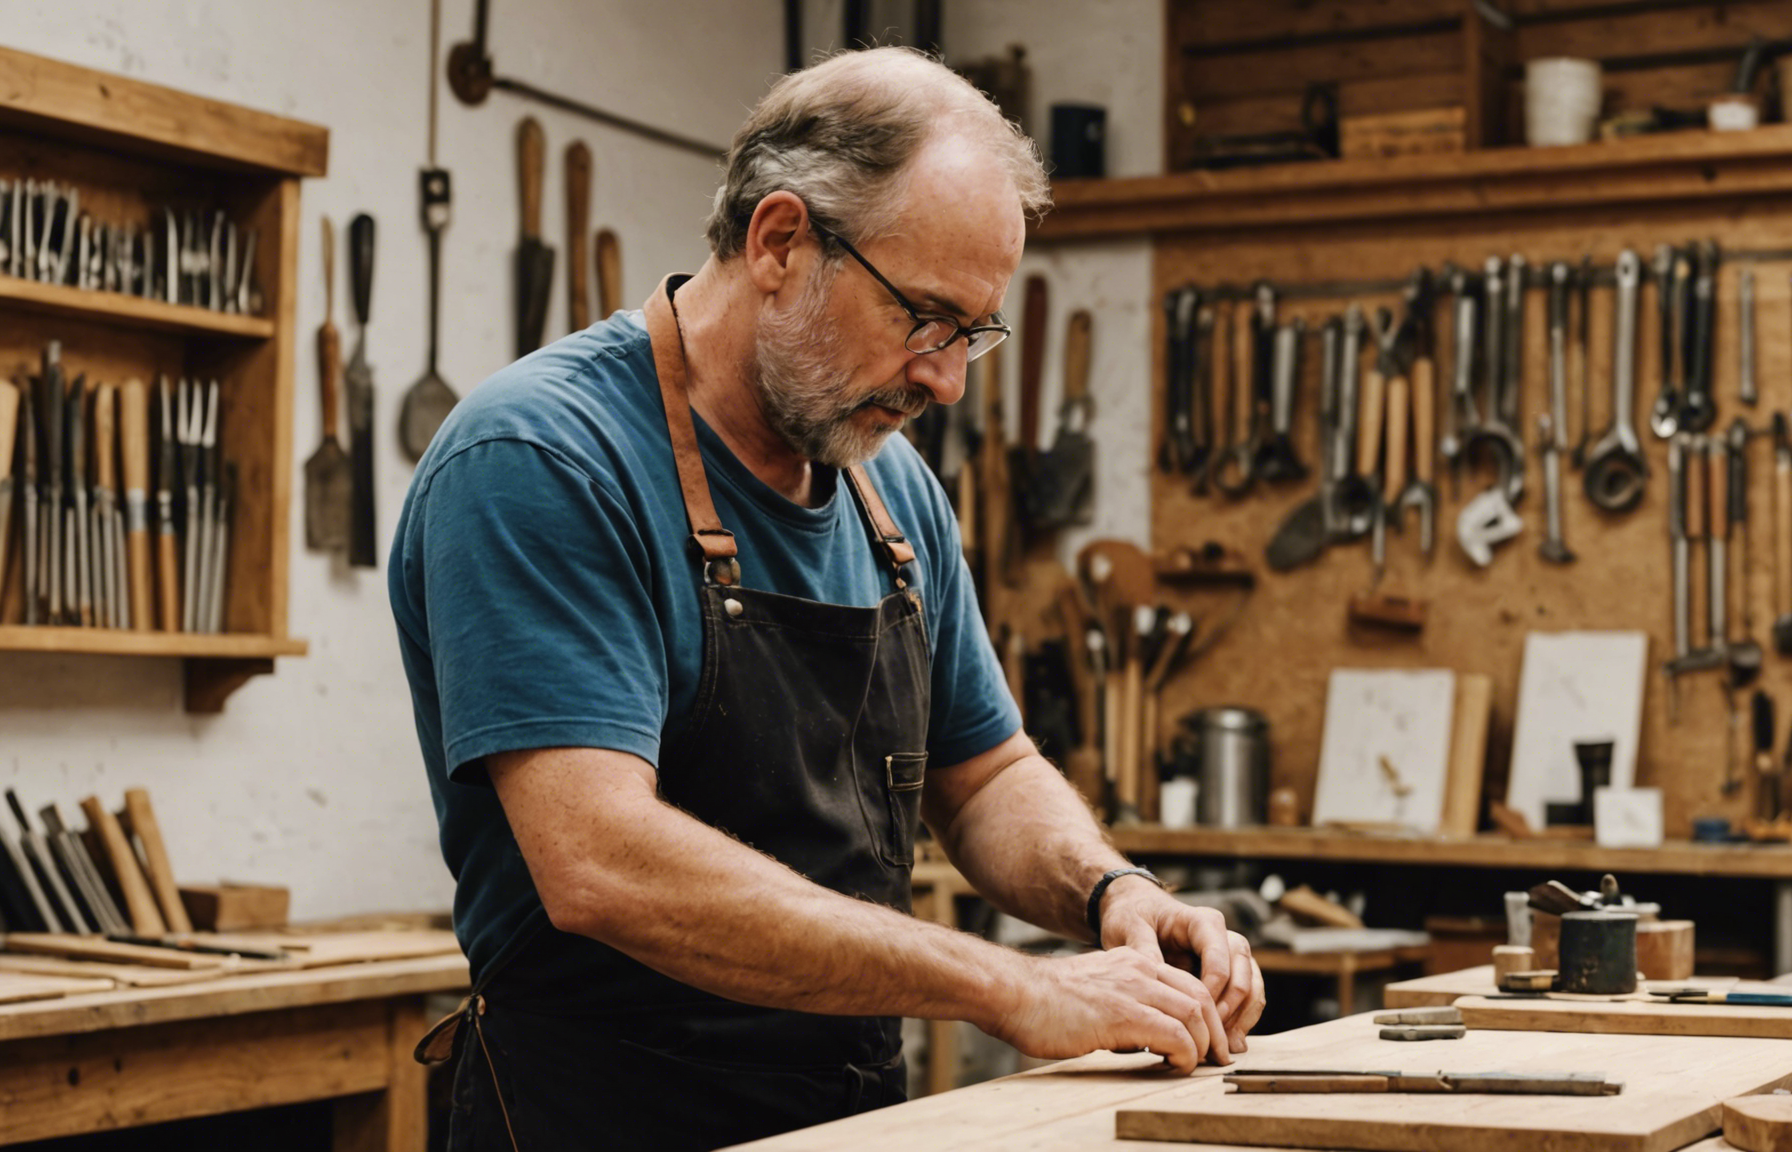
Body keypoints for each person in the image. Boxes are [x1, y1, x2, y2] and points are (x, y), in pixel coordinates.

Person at [391, 46, 1263, 1151]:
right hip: (600, 1114)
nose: (945, 379)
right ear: (780, 241)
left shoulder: (889, 488)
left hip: (843, 1118)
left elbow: (987, 771)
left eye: (972, 335)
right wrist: (1006, 985)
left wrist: (1112, 895)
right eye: (926, 317)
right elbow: (600, 863)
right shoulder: (542, 459)